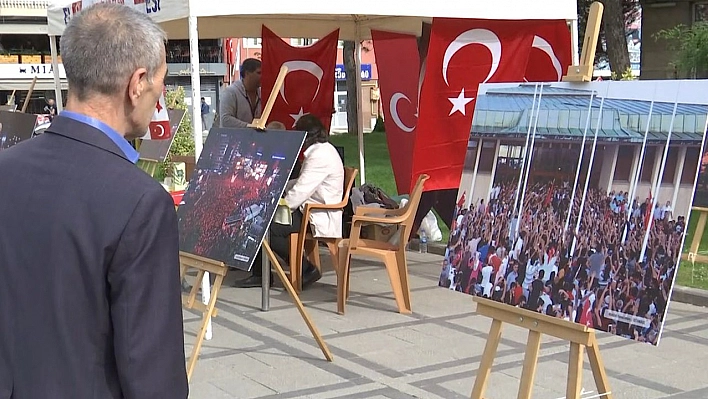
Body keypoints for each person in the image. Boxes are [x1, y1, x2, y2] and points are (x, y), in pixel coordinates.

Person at [0, 4, 188, 398]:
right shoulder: (141, 202)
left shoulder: (7, 168)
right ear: (137, 83)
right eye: (160, 83)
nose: (160, 98)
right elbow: (152, 371)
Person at [234, 114, 344, 288]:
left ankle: (304, 268)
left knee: (261, 226)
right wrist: (281, 190)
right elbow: (303, 182)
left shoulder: (319, 156)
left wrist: (278, 202)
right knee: (260, 221)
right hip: (310, 208)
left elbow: (300, 192)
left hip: (315, 212)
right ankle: (267, 272)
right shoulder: (322, 150)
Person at [220, 58, 262, 128]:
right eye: (259, 73)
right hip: (235, 138)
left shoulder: (261, 93)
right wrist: (249, 126)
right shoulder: (230, 92)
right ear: (247, 73)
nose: (262, 76)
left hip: (255, 138)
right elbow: (226, 120)